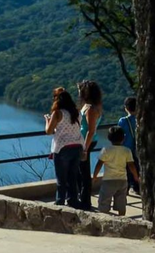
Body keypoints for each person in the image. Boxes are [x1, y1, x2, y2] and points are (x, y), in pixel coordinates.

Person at [45, 87, 84, 208]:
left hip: (62, 147)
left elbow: (49, 131)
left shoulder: (57, 113)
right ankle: (73, 200)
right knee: (72, 176)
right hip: (77, 146)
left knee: (61, 178)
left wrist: (47, 120)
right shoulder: (76, 112)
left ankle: (60, 201)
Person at [93, 126, 139, 216]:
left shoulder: (106, 150)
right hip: (123, 180)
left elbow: (99, 164)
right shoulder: (127, 150)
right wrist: (136, 176)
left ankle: (104, 217)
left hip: (108, 180)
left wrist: (95, 176)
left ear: (109, 138)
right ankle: (122, 217)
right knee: (121, 200)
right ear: (123, 138)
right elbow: (131, 166)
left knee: (104, 200)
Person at [75, 80, 103, 211]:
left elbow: (90, 131)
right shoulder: (94, 106)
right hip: (85, 141)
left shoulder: (91, 109)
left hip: (86, 142)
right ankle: (82, 198)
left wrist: (85, 148)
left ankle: (85, 202)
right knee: (80, 171)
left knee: (84, 172)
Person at [118, 96, 139, 194]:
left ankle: (125, 189)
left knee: (125, 169)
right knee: (136, 167)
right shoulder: (140, 118)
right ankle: (136, 186)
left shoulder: (123, 121)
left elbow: (120, 134)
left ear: (126, 108)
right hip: (137, 148)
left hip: (126, 148)